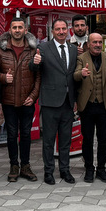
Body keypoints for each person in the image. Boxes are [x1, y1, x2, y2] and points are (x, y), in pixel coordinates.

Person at [30, 18, 78, 185]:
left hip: (68, 102)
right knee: (49, 141)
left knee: (66, 140)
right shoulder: (43, 48)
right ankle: (48, 171)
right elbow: (33, 67)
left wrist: (75, 99)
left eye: (64, 28)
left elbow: (72, 75)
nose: (61, 32)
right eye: (58, 29)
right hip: (50, 102)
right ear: (52, 31)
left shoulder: (73, 49)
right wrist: (35, 63)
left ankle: (65, 170)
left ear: (68, 30)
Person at [0, 17, 41, 183]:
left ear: (25, 30)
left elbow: (38, 76)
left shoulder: (33, 50)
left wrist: (34, 96)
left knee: (26, 134)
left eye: (20, 27)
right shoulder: (0, 50)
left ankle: (26, 166)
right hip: (8, 101)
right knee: (11, 135)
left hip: (27, 101)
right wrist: (3, 78)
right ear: (9, 30)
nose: (17, 30)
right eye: (14, 27)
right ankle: (14, 166)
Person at [73, 32, 106, 184]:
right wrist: (82, 73)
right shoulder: (81, 58)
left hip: (104, 106)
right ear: (89, 44)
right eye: (94, 42)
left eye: (99, 42)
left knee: (103, 140)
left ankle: (102, 169)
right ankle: (89, 168)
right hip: (87, 105)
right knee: (87, 139)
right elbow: (75, 75)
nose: (97, 45)